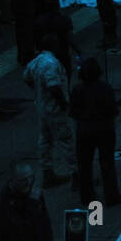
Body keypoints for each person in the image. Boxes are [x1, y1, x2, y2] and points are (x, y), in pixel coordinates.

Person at [69, 57, 121, 206]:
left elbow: (72, 111)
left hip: (84, 128)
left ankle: (87, 196)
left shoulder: (77, 89)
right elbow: (113, 110)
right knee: (107, 162)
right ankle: (111, 195)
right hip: (104, 127)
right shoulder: (105, 88)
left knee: (84, 164)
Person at [22, 36, 74, 189]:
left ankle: (47, 172)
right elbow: (54, 86)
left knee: (44, 140)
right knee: (66, 140)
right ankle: (76, 173)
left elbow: (26, 78)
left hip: (42, 107)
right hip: (55, 109)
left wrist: (39, 91)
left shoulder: (35, 62)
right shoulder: (51, 63)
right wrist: (63, 104)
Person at [0, 162, 52, 241]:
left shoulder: (33, 194)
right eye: (23, 180)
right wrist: (32, 205)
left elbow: (45, 226)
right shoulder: (1, 204)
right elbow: (20, 234)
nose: (28, 182)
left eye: (30, 177)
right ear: (12, 180)